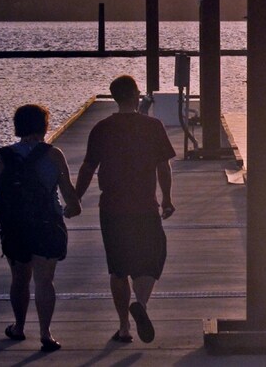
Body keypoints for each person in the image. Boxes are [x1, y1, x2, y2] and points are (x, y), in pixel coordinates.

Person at [75, 75, 176, 344]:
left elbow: (87, 167)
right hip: (144, 206)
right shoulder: (153, 126)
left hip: (112, 208)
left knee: (118, 268)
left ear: (114, 97)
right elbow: (163, 166)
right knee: (151, 259)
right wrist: (166, 199)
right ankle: (140, 304)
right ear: (135, 96)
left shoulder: (101, 128)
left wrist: (75, 198)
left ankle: (123, 328)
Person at [0, 104, 81, 353]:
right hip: (47, 224)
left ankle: (19, 327)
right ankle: (46, 333)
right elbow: (67, 191)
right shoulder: (53, 155)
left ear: (17, 126)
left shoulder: (5, 155)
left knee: (19, 279)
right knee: (44, 280)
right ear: (44, 126)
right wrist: (73, 208)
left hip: (15, 227)